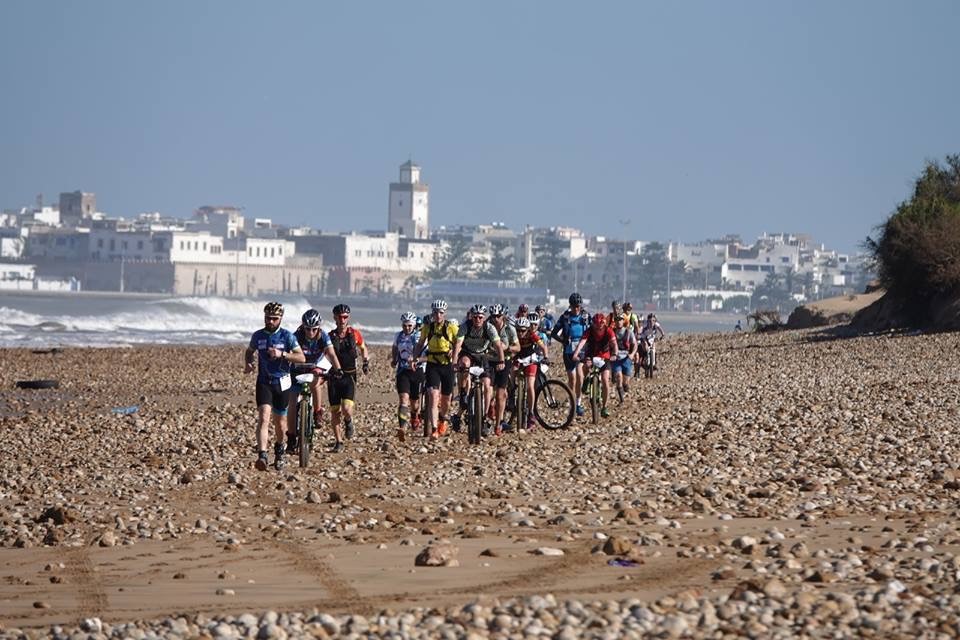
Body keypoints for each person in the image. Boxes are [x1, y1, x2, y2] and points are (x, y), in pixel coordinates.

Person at [244, 302, 306, 471]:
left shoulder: (287, 337)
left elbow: (301, 358)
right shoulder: (258, 336)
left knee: (280, 422)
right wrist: (248, 363)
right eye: (267, 318)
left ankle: (279, 450)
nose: (270, 321)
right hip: (264, 382)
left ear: (280, 319)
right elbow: (249, 351)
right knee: (264, 417)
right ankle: (262, 455)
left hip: (282, 383)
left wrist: (283, 354)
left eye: (274, 319)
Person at [286, 309, 342, 454]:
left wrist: (338, 369)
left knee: (317, 382)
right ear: (303, 327)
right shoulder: (296, 335)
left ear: (319, 328)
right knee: (292, 402)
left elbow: (331, 354)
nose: (310, 332)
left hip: (314, 368)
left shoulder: (323, 336)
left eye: (314, 329)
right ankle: (291, 438)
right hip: (297, 369)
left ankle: (317, 412)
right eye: (307, 329)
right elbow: (287, 354)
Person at [452, 304, 504, 435]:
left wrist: (501, 360)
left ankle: (485, 417)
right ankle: (464, 393)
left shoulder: (489, 328)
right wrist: (454, 362)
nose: (477, 320)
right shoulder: (465, 326)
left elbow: (498, 345)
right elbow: (458, 344)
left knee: (487, 385)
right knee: (464, 363)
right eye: (475, 317)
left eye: (480, 317)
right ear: (471, 317)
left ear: (484, 317)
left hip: (482, 355)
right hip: (468, 353)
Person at [414, 299, 459, 439]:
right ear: (432, 313)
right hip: (433, 364)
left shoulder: (451, 327)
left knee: (446, 399)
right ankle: (434, 429)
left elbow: (459, 342)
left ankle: (443, 418)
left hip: (447, 365)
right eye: (435, 312)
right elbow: (421, 343)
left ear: (444, 313)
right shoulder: (428, 327)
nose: (438, 315)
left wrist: (454, 352)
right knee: (433, 396)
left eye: (440, 312)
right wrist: (414, 357)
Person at [327, 304, 369, 452]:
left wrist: (365, 362)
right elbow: (323, 354)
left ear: (348, 318)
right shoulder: (330, 336)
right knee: (334, 411)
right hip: (334, 376)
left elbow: (363, 348)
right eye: (339, 317)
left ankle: (348, 420)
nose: (342, 319)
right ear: (334, 317)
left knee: (346, 409)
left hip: (349, 375)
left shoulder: (354, 334)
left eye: (345, 317)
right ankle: (338, 442)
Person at [551, 293, 591, 417]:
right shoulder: (565, 317)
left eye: (578, 306)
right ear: (570, 306)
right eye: (574, 306)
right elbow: (554, 333)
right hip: (568, 351)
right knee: (572, 379)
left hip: (582, 350)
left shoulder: (586, 316)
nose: (576, 309)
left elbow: (593, 329)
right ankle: (572, 401)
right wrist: (563, 340)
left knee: (580, 376)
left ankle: (578, 403)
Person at [572, 312, 618, 418]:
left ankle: (605, 407)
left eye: (600, 325)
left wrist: (615, 354)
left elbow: (614, 344)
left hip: (605, 357)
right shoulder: (589, 331)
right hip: (591, 355)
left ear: (604, 324)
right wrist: (575, 354)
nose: (598, 328)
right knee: (584, 367)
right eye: (596, 325)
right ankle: (587, 380)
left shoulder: (609, 331)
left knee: (606, 381)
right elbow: (582, 343)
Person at [487, 303, 519, 434]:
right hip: (489, 361)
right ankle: (486, 411)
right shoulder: (487, 327)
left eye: (498, 316)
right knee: (487, 389)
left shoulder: (510, 329)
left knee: (501, 394)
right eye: (493, 316)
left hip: (504, 362)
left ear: (503, 316)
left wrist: (507, 348)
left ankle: (499, 423)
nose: (496, 319)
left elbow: (518, 347)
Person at [391, 312, 423, 442]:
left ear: (414, 325)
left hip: (417, 370)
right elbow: (394, 348)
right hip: (403, 370)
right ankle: (402, 428)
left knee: (414, 403)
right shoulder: (398, 336)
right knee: (403, 399)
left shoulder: (419, 336)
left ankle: (415, 416)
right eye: (405, 326)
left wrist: (416, 359)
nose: (407, 328)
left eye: (410, 326)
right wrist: (394, 359)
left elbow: (424, 352)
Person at [513, 316, 547, 429]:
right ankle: (512, 392)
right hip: (517, 359)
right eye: (518, 330)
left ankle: (531, 412)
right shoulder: (513, 335)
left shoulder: (532, 334)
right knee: (511, 373)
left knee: (530, 386)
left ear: (527, 330)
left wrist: (546, 357)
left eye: (523, 330)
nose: (520, 333)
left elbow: (543, 346)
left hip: (530, 360)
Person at [611, 313, 637, 397]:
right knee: (618, 376)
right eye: (617, 320)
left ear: (623, 321)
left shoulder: (628, 332)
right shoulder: (612, 332)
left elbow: (634, 344)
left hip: (626, 358)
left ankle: (625, 386)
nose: (618, 322)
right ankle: (620, 394)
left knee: (625, 382)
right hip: (616, 358)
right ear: (614, 321)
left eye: (620, 320)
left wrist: (632, 354)